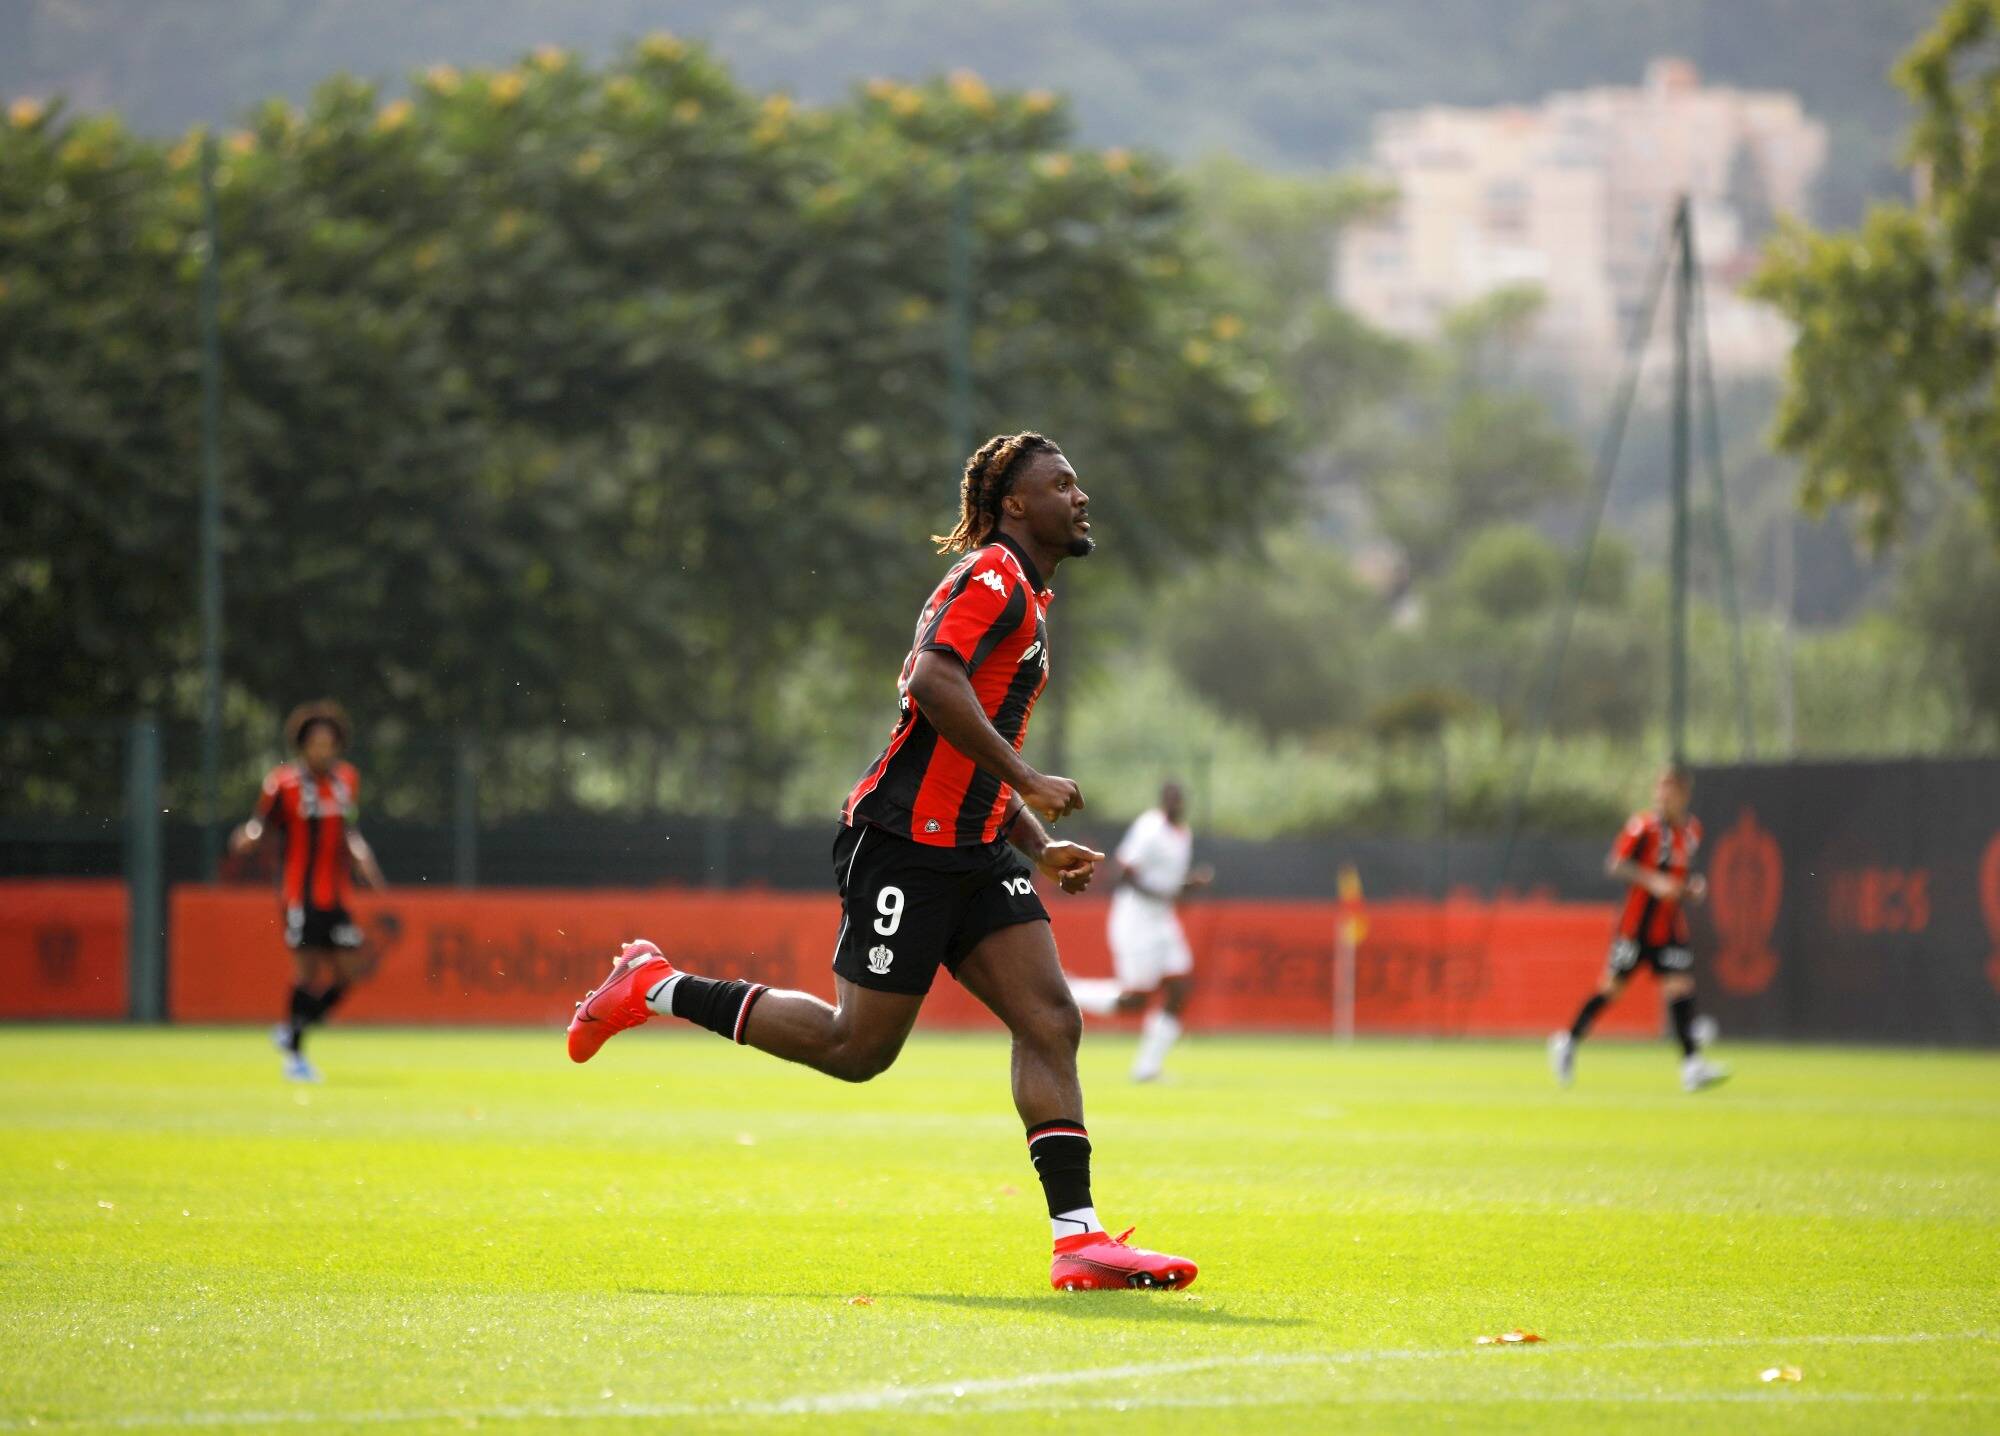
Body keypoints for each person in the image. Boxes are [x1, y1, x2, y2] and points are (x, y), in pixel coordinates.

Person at [565, 432, 1197, 1291]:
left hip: (975, 849)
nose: (1080, 497)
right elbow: (933, 685)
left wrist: (1037, 845)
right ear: (1016, 503)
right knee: (855, 1047)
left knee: (1050, 1019)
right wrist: (1030, 779)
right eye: (1062, 483)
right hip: (902, 842)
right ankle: (653, 986)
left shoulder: (1030, 598)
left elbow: (974, 738)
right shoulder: (992, 578)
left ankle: (1078, 1239)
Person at [229, 701, 388, 1082]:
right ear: (302, 745)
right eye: (315, 743)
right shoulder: (282, 784)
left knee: (350, 972)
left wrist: (363, 859)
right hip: (299, 894)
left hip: (336, 896)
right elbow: (260, 825)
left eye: (328, 743)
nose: (322, 750)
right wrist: (246, 839)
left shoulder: (346, 780)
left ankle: (291, 1030)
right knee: (307, 971)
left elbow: (349, 830)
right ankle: (295, 1058)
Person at [1549, 763, 1728, 1093]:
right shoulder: (1642, 827)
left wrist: (1692, 888)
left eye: (1669, 788)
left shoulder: (1691, 831)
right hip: (1635, 928)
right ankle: (1568, 1042)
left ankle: (1692, 1066)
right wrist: (1653, 881)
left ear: (1684, 794)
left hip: (1669, 927)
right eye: (1659, 787)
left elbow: (1679, 876)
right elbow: (1616, 864)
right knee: (1611, 989)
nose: (1662, 795)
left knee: (1679, 988)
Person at [1068, 782, 1213, 1082]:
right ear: (1162, 801)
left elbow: (1166, 885)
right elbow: (1123, 873)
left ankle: (1147, 1068)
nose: (1175, 803)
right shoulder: (1150, 828)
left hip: (1163, 921)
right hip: (1136, 921)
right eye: (1170, 798)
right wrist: (1164, 895)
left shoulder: (1182, 834)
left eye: (1179, 798)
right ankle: (1071, 991)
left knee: (1180, 988)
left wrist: (1189, 885)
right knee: (1135, 1000)